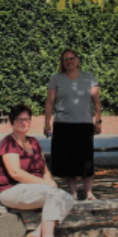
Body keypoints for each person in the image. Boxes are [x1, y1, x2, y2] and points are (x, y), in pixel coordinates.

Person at [0, 104, 74, 237]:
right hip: (11, 190)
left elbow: (44, 169)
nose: (23, 122)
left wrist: (50, 181)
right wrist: (46, 185)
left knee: (68, 198)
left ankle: (37, 234)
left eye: (26, 119)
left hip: (35, 189)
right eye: (19, 119)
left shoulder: (34, 142)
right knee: (53, 195)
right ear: (11, 121)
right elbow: (16, 173)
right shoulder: (8, 143)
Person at [43, 49, 102, 200]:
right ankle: (73, 193)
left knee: (86, 158)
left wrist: (98, 120)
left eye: (72, 58)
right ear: (62, 62)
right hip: (63, 123)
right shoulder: (56, 78)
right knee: (68, 160)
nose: (69, 61)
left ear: (77, 59)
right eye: (66, 59)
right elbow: (50, 102)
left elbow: (96, 101)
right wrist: (47, 123)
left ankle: (89, 192)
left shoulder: (88, 77)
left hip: (84, 123)